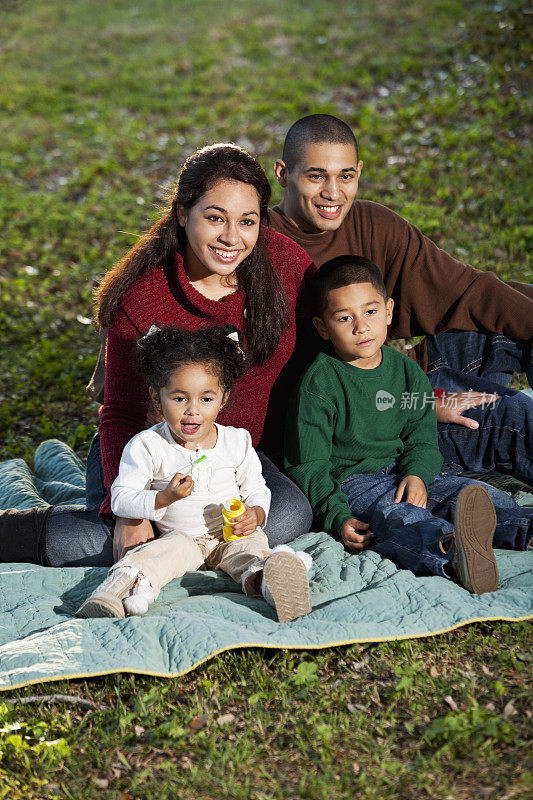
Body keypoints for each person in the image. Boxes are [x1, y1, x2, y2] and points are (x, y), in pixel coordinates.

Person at [0, 144, 315, 568]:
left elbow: (335, 337)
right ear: (183, 213)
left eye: (247, 221)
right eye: (215, 217)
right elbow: (120, 413)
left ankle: (181, 551)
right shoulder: (143, 296)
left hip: (231, 454)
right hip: (149, 453)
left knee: (291, 514)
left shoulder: (287, 265)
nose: (231, 237)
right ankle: (15, 531)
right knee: (124, 540)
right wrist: (128, 511)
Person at [267, 114, 533, 486]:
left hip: (398, 376)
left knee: (508, 327)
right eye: (316, 176)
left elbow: (466, 289)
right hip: (363, 420)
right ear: (282, 174)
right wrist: (424, 406)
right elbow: (315, 399)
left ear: (359, 171)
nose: (333, 193)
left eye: (345, 176)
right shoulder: (261, 244)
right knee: (511, 415)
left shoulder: (371, 223)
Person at [284, 256, 532, 593]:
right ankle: (453, 553)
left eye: (370, 312)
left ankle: (524, 530)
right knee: (400, 518)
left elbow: (421, 437)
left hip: (402, 469)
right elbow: (309, 466)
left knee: (479, 497)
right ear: (322, 327)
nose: (361, 327)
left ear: (388, 311)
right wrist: (337, 515)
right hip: (353, 483)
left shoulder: (406, 371)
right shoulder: (319, 383)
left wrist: (417, 473)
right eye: (344, 318)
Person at [76, 325, 312, 623]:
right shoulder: (148, 445)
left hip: (229, 536)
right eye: (179, 399)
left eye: (206, 399)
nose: (192, 410)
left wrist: (257, 514)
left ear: (223, 398)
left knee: (252, 552)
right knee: (151, 557)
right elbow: (121, 498)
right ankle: (112, 594)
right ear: (156, 397)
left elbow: (257, 488)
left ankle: (272, 584)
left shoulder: (236, 441)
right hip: (180, 538)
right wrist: (163, 498)